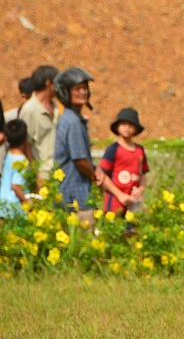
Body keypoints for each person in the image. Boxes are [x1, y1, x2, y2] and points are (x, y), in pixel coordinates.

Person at [53, 67, 105, 227]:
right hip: (76, 198)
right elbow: (80, 160)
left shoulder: (70, 118)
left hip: (68, 196)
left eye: (85, 88)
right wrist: (94, 176)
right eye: (77, 89)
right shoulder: (74, 122)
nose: (83, 92)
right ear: (66, 92)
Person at [99, 108, 149, 214]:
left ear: (136, 128)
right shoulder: (113, 149)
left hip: (133, 202)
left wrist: (141, 189)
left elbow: (143, 174)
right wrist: (119, 195)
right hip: (115, 201)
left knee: (133, 229)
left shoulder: (140, 150)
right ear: (118, 127)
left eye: (131, 124)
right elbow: (103, 175)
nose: (127, 127)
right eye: (123, 124)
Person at [18, 65, 60, 185]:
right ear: (48, 83)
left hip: (58, 173)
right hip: (43, 177)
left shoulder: (56, 107)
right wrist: (37, 176)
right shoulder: (29, 110)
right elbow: (26, 145)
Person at [0, 119, 30, 219]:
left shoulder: (9, 154)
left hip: (3, 204)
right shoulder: (21, 160)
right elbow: (16, 186)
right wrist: (28, 203)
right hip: (14, 209)